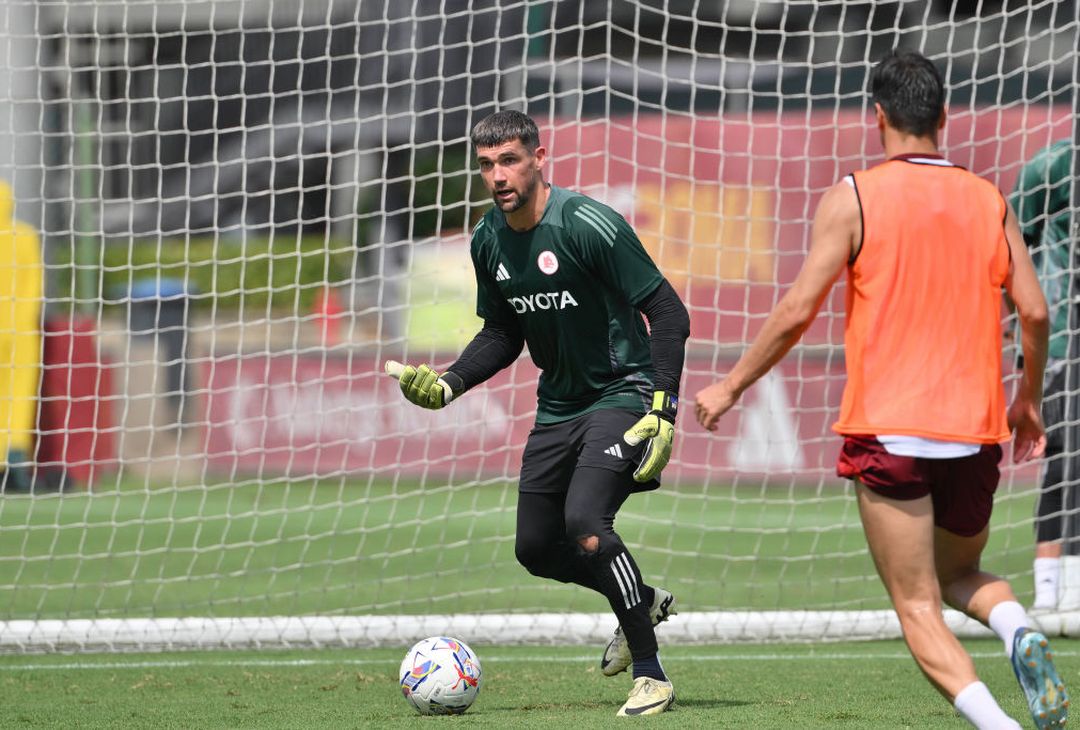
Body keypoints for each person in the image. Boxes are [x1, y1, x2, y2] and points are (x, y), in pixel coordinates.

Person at [694, 51, 1067, 729]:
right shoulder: (988, 198)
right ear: (944, 116)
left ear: (879, 117)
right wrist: (1026, 400)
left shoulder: (854, 196)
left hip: (891, 427)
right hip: (974, 428)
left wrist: (729, 386)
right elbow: (1037, 312)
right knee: (961, 576)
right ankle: (1017, 630)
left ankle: (1001, 725)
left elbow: (796, 311)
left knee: (918, 603)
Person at [386, 110, 690, 716]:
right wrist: (449, 385)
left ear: (538, 158)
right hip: (558, 408)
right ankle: (642, 596)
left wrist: (663, 407)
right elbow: (502, 333)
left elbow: (670, 313)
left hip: (622, 393)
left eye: (509, 160)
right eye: (486, 165)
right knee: (535, 548)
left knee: (586, 520)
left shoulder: (588, 224)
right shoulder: (487, 239)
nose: (498, 175)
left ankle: (651, 673)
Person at [1009, 139, 1077, 611]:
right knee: (1065, 460)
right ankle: (1052, 591)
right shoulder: (1053, 166)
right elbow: (1013, 241)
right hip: (1061, 340)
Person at [0, 179, 42, 493]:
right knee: (18, 401)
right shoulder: (24, 235)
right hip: (20, 334)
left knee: (18, 399)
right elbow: (34, 285)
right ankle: (15, 469)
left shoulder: (25, 235)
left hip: (19, 333)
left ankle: (14, 468)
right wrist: (22, 320)